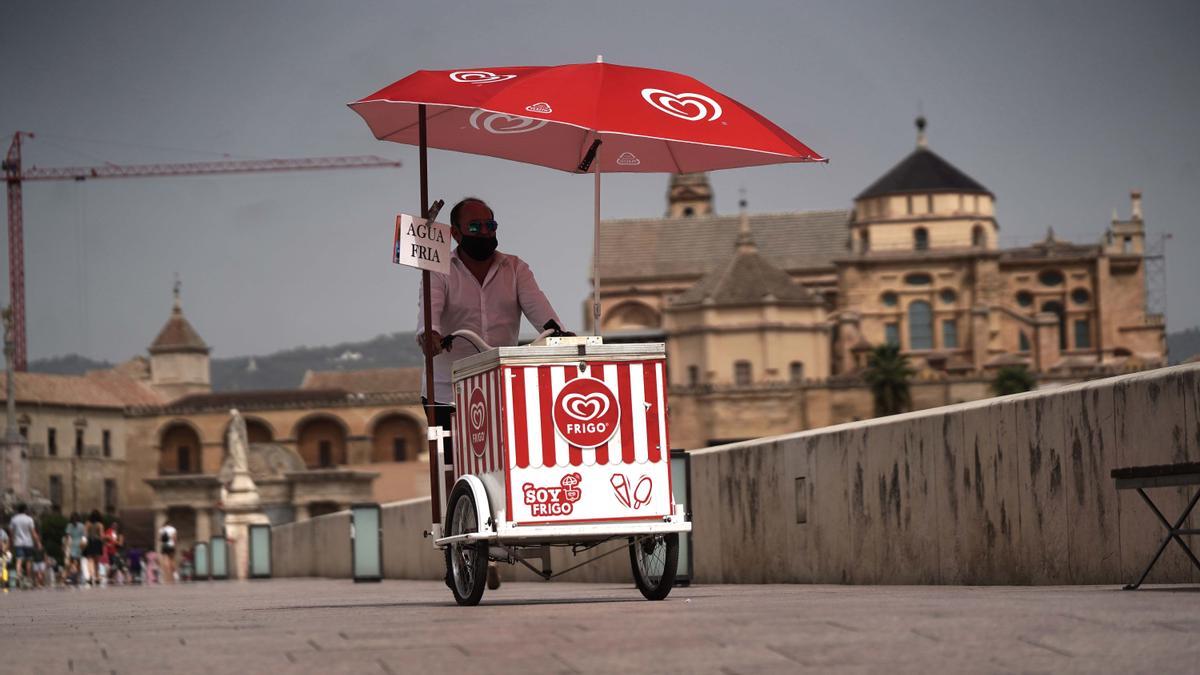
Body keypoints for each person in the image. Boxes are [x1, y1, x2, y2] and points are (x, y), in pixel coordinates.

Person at [417, 197, 571, 591]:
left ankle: (495, 533)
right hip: (446, 386)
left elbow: (540, 310)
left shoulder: (515, 268)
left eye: (490, 225)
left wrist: (558, 330)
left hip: (498, 385)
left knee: (507, 461)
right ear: (455, 234)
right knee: (451, 468)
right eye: (475, 228)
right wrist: (432, 336)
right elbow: (429, 314)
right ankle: (457, 547)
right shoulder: (439, 271)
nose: (485, 233)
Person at [8, 503, 41, 587]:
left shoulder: (14, 519)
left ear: (17, 510)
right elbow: (33, 533)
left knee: (19, 560)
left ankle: (18, 576)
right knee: (28, 561)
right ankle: (28, 578)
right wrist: (38, 542)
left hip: (18, 542)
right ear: (25, 510)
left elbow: (11, 533)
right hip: (28, 543)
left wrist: (10, 543)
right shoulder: (29, 519)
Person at [83, 511, 105, 587]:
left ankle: (90, 577)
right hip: (97, 543)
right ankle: (97, 577)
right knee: (97, 562)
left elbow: (85, 534)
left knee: (89, 561)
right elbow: (102, 536)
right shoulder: (100, 525)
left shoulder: (87, 524)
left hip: (89, 542)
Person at [63, 513, 86, 585]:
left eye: (75, 520)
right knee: (71, 561)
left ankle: (76, 576)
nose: (74, 522)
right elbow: (67, 536)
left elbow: (84, 536)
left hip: (79, 546)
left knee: (78, 562)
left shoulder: (81, 526)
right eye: (73, 520)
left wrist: (83, 545)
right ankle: (70, 577)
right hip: (72, 545)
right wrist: (65, 546)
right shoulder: (70, 526)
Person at [159, 519, 177, 584]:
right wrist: (174, 545)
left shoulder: (161, 529)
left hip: (164, 546)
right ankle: (174, 574)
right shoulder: (173, 529)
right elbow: (174, 538)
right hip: (171, 546)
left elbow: (160, 539)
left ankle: (167, 575)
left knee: (165, 560)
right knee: (172, 560)